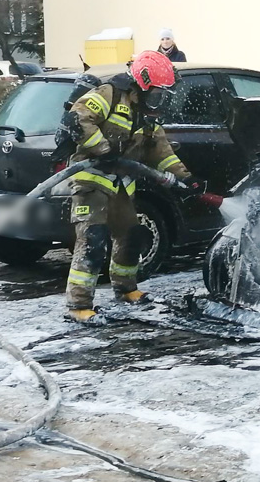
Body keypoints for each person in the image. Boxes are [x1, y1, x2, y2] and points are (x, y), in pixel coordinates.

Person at [61, 51, 204, 324]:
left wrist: (186, 178)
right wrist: (101, 149)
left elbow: (162, 152)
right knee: (93, 240)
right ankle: (79, 306)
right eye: (158, 92)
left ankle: (126, 288)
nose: (161, 99)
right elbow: (79, 117)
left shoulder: (147, 116)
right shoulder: (109, 95)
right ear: (143, 83)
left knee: (131, 235)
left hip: (121, 184)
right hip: (92, 179)